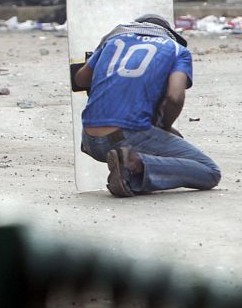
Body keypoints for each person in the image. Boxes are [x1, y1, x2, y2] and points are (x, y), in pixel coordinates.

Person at [74, 14, 221, 197]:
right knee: (210, 171)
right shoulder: (177, 50)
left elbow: (80, 79)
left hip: (89, 140)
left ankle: (128, 176)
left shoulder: (112, 42)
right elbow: (174, 97)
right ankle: (134, 164)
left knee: (169, 144)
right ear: (167, 33)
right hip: (126, 136)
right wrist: (164, 127)